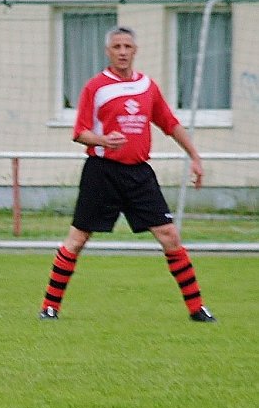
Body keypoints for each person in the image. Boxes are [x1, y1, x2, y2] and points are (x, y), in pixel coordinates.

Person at [38, 26, 216, 323]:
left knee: (170, 235)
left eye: (127, 47)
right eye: (117, 46)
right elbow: (80, 132)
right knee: (78, 239)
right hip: (102, 172)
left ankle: (197, 309)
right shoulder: (95, 87)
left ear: (135, 51)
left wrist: (195, 157)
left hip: (139, 175)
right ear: (108, 51)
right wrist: (103, 140)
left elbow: (170, 124)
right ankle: (49, 306)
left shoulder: (148, 87)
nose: (122, 52)